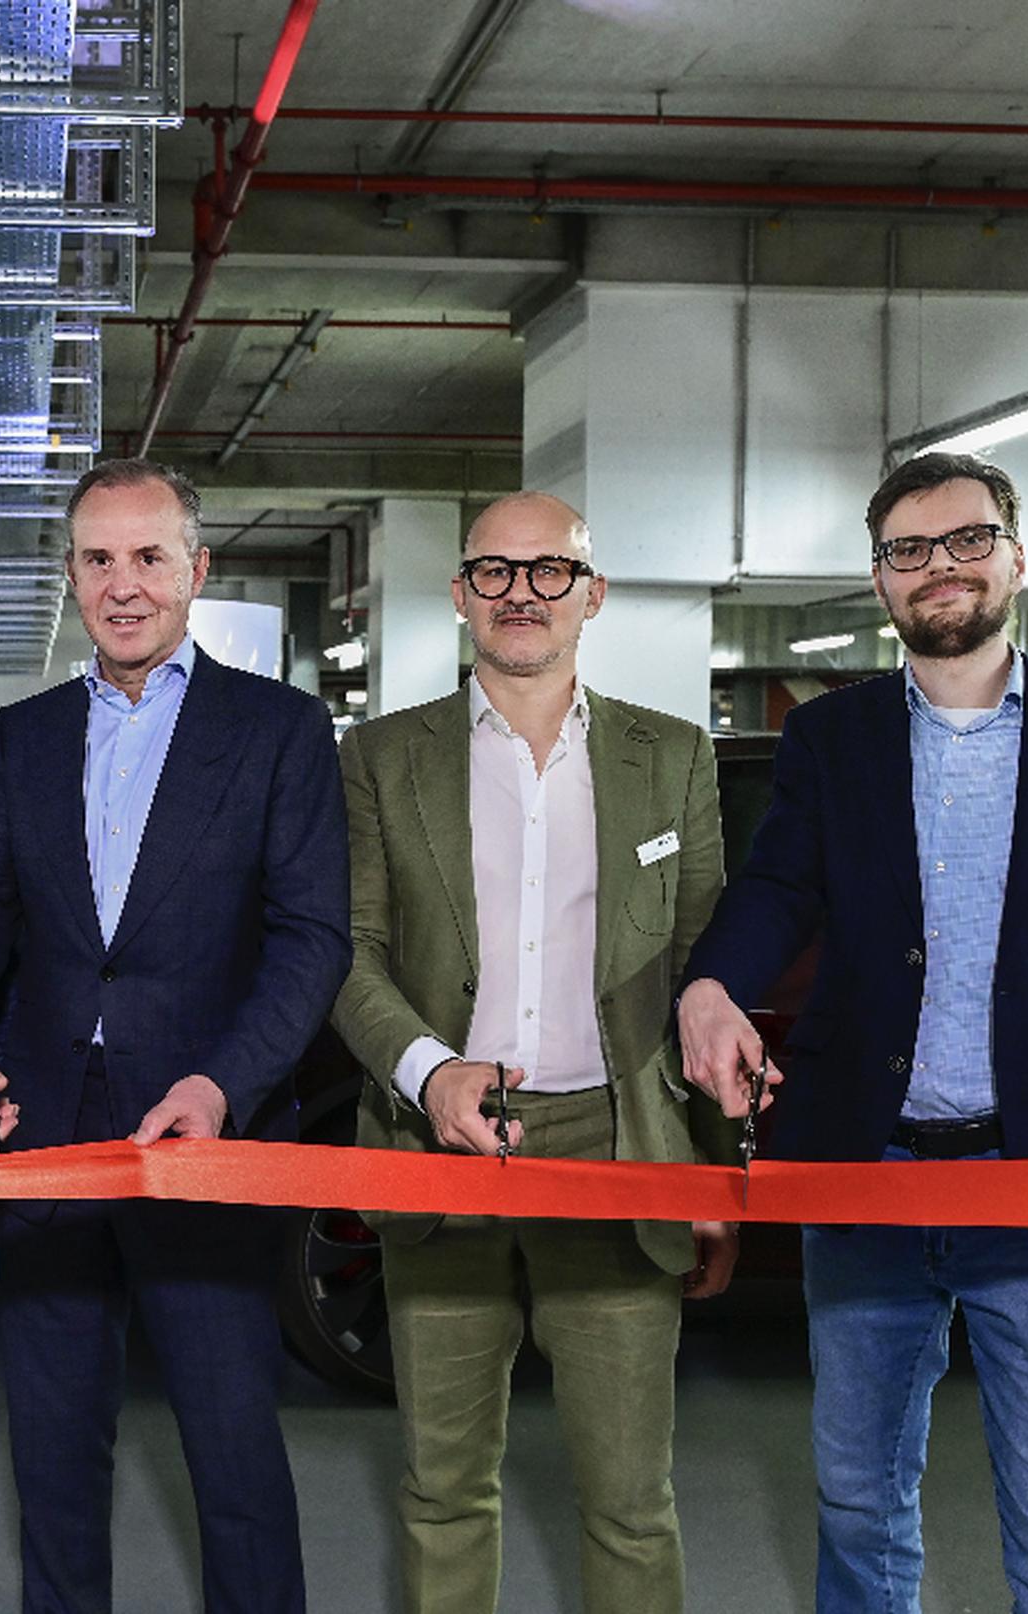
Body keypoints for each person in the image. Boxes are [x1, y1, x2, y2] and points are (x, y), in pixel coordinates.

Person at [676, 452, 1028, 1614]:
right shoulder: (834, 739)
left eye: (966, 541)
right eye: (907, 550)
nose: (939, 568)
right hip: (863, 1185)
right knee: (858, 1515)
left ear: (1016, 559)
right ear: (878, 582)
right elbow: (774, 888)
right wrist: (711, 984)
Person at [0, 458, 350, 1614]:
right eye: (97, 558)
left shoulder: (279, 731)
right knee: (54, 1456)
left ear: (195, 571)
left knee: (233, 1456)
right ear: (69, 575)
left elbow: (311, 939)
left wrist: (224, 1084)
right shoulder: (27, 731)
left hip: (202, 1136)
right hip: (45, 1136)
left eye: (148, 556)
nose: (123, 584)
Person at [328, 491, 739, 1613]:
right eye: (494, 571)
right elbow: (348, 950)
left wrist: (714, 1175)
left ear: (590, 594)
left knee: (627, 1497)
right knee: (443, 1488)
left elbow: (706, 972)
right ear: (459, 595)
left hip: (618, 1148)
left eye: (548, 570)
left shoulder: (675, 758)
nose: (521, 591)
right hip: (439, 1151)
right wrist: (427, 1067)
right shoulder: (375, 756)